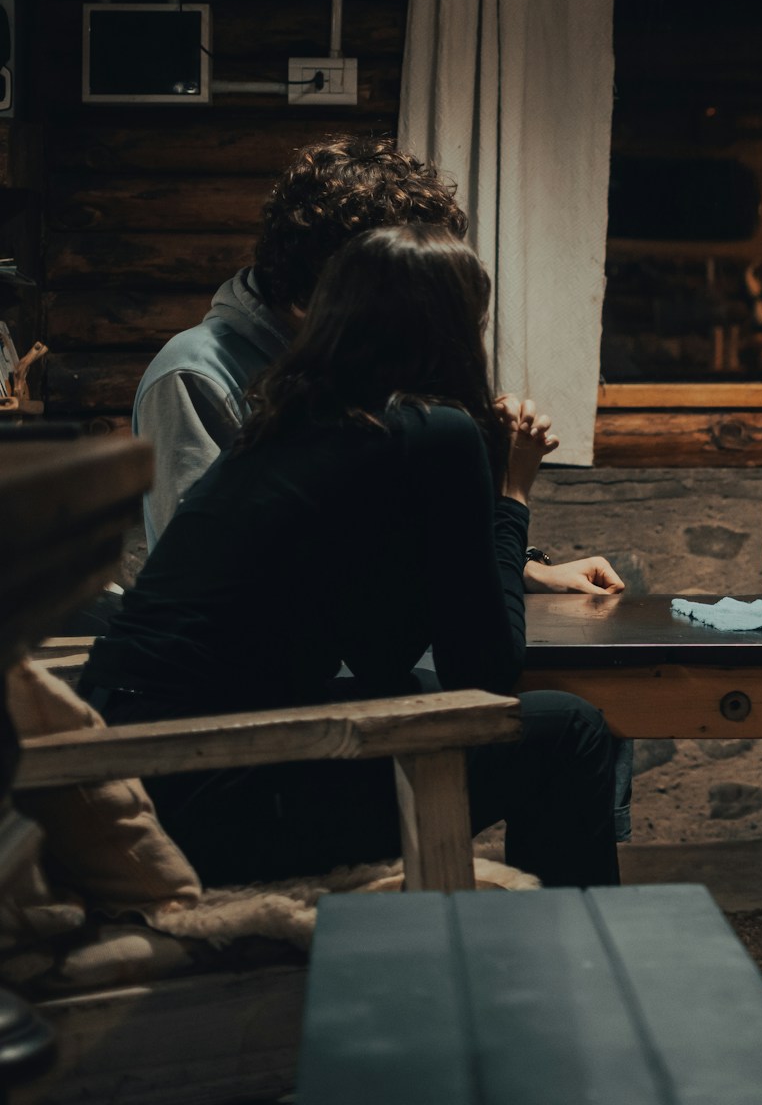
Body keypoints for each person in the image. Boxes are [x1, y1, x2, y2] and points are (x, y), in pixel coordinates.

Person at [80, 225, 620, 889]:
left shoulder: (281, 425)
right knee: (570, 729)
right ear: (454, 330)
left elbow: (378, 654)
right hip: (220, 792)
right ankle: (575, 961)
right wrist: (511, 489)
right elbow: (486, 672)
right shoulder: (432, 434)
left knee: (499, 712)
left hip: (131, 774)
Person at [132, 135, 623, 598]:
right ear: (345, 283)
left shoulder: (358, 358)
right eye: (408, 286)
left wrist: (520, 565)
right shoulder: (194, 376)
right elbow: (206, 580)